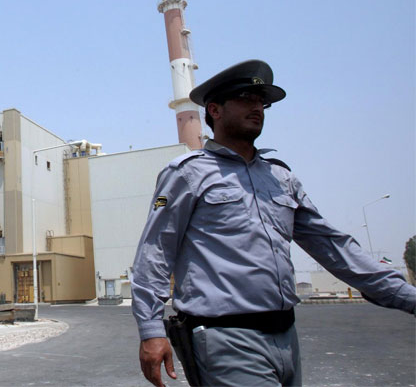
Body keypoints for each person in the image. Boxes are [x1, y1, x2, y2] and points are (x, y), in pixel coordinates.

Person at [131, 59, 416, 387]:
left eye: (261, 102)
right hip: (227, 340)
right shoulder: (188, 174)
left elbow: (335, 248)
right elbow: (154, 255)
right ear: (214, 109)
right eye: (245, 98)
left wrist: (408, 297)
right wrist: (151, 331)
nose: (257, 108)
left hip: (286, 338)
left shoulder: (280, 178)